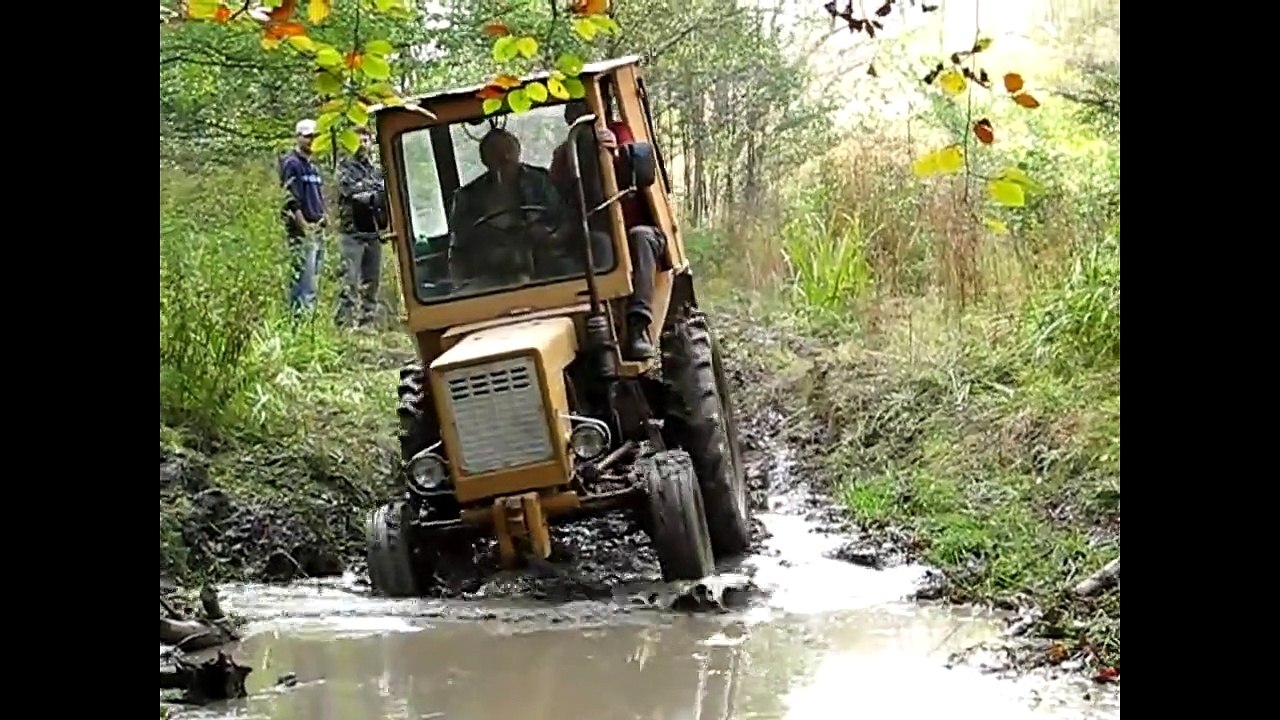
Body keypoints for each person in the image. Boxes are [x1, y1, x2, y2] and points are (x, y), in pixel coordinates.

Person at [551, 110, 668, 361]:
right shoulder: (565, 154)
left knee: (640, 237)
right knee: (591, 244)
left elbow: (637, 171)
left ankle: (637, 326)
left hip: (636, 236)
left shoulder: (618, 131)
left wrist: (614, 154)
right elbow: (556, 195)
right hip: (592, 238)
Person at [448, 128, 569, 284]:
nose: (505, 158)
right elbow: (459, 246)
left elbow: (565, 217)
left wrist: (554, 236)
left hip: (545, 258)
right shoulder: (467, 197)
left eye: (509, 151)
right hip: (491, 271)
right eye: (496, 154)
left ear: (518, 151)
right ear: (484, 160)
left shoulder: (540, 181)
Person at [335, 126, 387, 329]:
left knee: (372, 280)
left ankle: (367, 323)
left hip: (373, 230)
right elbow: (349, 190)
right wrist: (370, 187)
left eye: (366, 140)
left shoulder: (375, 168)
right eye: (359, 140)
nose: (363, 145)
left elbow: (383, 188)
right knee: (349, 280)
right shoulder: (344, 166)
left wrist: (367, 186)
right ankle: (344, 324)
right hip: (352, 231)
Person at [279, 118, 328, 311]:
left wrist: (323, 215)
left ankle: (308, 325)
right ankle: (299, 324)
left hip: (317, 228)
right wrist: (304, 226)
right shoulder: (292, 164)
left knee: (313, 282)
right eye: (307, 137)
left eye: (314, 137)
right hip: (302, 231)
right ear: (298, 137)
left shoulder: (312, 166)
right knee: (303, 283)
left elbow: (315, 196)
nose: (311, 141)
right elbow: (291, 200)